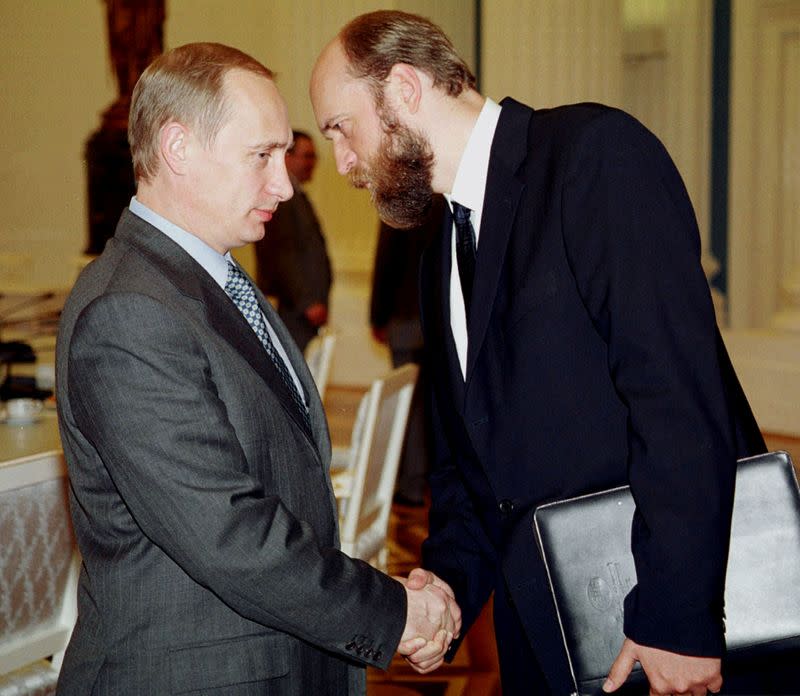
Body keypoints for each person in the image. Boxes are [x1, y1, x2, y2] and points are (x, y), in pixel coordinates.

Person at [310, 11, 777, 695]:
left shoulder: (594, 155)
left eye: (339, 130)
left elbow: (677, 398)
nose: (343, 163)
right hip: (546, 635)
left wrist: (678, 617)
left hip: (661, 626)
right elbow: (476, 465)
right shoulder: (440, 243)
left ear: (404, 88)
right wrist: (447, 587)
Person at [55, 42, 460, 695]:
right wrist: (394, 611)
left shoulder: (206, 281)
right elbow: (229, 533)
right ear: (178, 148)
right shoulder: (129, 313)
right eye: (261, 156)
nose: (285, 183)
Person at [370, 194, 445, 506]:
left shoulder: (396, 201)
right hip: (436, 318)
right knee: (429, 405)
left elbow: (386, 261)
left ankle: (411, 485)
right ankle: (426, 480)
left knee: (408, 408)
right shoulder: (442, 200)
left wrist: (377, 315)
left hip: (404, 317)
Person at [254, 130, 332, 352]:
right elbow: (282, 253)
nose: (312, 163)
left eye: (314, 157)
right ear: (287, 157)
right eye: (307, 156)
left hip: (301, 310)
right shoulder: (280, 200)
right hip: (293, 310)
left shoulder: (297, 195)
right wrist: (307, 301)